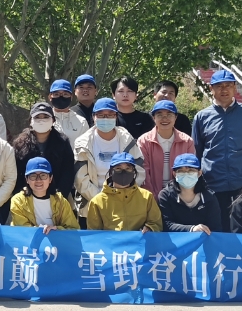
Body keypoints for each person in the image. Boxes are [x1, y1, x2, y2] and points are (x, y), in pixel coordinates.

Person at [194, 69, 242, 228]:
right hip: (213, 182)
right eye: (219, 86)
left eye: (228, 85)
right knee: (219, 227)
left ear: (234, 87)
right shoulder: (202, 117)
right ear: (211, 89)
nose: (224, 89)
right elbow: (197, 150)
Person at [73, 97, 145, 229]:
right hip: (91, 204)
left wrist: (122, 196)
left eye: (110, 115)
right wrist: (102, 199)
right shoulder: (82, 143)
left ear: (116, 117)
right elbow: (80, 179)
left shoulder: (127, 140)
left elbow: (139, 171)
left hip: (124, 202)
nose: (105, 118)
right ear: (93, 117)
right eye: (101, 115)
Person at [12, 102, 76, 198]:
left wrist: (59, 196)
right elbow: (15, 173)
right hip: (26, 197)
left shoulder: (63, 142)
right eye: (37, 117)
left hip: (57, 196)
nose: (41, 120)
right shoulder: (19, 144)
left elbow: (68, 172)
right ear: (30, 121)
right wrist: (23, 195)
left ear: (53, 120)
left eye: (46, 117)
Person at [85, 152, 162, 232]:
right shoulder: (97, 202)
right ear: (111, 172)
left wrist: (150, 228)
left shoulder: (147, 197)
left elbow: (156, 224)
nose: (124, 172)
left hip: (139, 240)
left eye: (128, 168)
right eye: (118, 168)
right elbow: (94, 234)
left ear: (134, 172)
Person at [138, 100, 196, 194]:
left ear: (175, 117)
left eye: (169, 115)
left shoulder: (187, 141)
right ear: (153, 118)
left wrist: (182, 195)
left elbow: (190, 170)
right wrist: (151, 196)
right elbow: (144, 171)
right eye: (159, 115)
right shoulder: (144, 141)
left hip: (180, 194)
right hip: (152, 193)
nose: (164, 118)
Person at [9, 158, 80, 232]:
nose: (38, 180)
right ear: (27, 179)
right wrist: (42, 231)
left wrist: (56, 229)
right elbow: (23, 231)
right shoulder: (18, 201)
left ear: (50, 178)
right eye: (33, 176)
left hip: (54, 240)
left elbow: (74, 229)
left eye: (43, 175)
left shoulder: (61, 201)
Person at [157, 154, 221, 234]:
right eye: (181, 171)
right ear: (174, 174)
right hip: (176, 241)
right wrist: (191, 229)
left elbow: (216, 228)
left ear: (199, 173)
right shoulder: (165, 196)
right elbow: (166, 225)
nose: (186, 174)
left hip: (203, 241)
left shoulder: (209, 197)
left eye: (191, 170)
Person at [48, 79, 89, 145]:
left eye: (65, 94)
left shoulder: (81, 122)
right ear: (50, 96)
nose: (61, 97)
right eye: (56, 94)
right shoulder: (44, 119)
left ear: (71, 97)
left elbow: (86, 146)